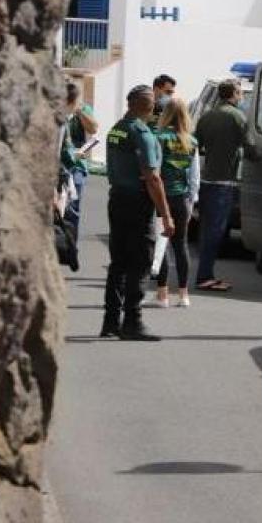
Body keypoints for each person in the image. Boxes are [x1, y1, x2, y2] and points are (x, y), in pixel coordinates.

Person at [102, 84, 175, 342]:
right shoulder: (141, 133)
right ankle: (133, 321)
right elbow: (153, 178)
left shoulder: (117, 129)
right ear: (149, 105)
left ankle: (110, 321)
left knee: (118, 262)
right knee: (140, 263)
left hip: (117, 198)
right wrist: (165, 214)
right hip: (137, 203)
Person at [193, 80, 256, 292]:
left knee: (206, 230)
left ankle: (205, 274)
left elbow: (196, 145)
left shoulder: (207, 116)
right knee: (215, 232)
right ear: (235, 94)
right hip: (224, 182)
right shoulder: (238, 117)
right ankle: (204, 277)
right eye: (241, 93)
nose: (242, 97)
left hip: (206, 180)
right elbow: (251, 148)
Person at [152, 97, 200, 308]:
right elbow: (195, 176)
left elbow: (156, 169)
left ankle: (162, 294)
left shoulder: (159, 137)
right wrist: (191, 201)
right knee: (180, 245)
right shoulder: (191, 141)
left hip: (162, 197)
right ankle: (183, 294)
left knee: (161, 243)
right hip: (182, 198)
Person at [64, 81, 99, 244]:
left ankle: (70, 244)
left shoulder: (83, 109)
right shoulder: (57, 107)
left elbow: (93, 128)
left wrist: (78, 111)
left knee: (73, 207)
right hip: (61, 163)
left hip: (77, 165)